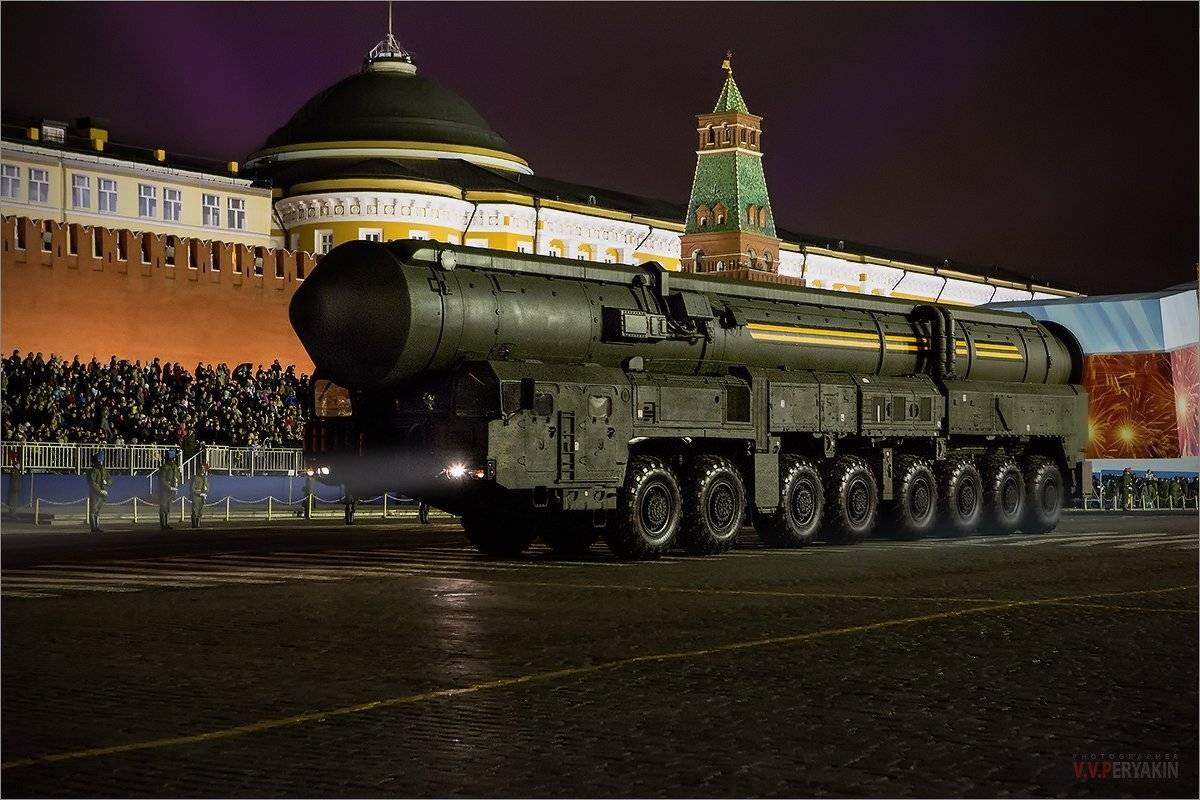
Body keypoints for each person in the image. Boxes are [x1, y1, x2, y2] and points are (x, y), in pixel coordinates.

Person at [158, 448, 182, 530]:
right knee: (163, 507)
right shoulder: (164, 467)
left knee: (168, 508)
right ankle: (163, 524)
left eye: (173, 458)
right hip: (165, 491)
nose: (172, 460)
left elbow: (178, 477)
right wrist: (169, 487)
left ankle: (167, 523)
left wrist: (176, 486)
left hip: (172, 489)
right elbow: (162, 479)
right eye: (171, 458)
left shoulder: (175, 467)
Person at [86, 452, 110, 533]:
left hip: (101, 493)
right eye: (100, 461)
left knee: (97, 511)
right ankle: (94, 528)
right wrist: (100, 490)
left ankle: (97, 527)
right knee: (93, 511)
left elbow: (109, 479)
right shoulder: (93, 471)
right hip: (95, 494)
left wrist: (106, 483)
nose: (101, 462)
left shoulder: (103, 470)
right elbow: (92, 483)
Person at [190, 462, 209, 529]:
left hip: (202, 497)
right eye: (202, 468)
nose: (203, 470)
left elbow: (207, 487)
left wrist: (206, 491)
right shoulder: (195, 478)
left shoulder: (205, 478)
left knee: (200, 512)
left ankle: (198, 525)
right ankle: (194, 525)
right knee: (195, 512)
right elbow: (192, 489)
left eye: (204, 469)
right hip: (196, 497)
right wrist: (200, 493)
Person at [6, 446, 23, 517]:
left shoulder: (16, 471)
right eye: (18, 465)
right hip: (14, 489)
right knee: (13, 501)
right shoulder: (15, 471)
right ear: (16, 465)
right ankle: (12, 513)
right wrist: (16, 488)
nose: (19, 465)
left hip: (15, 488)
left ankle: (12, 512)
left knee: (14, 501)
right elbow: (14, 480)